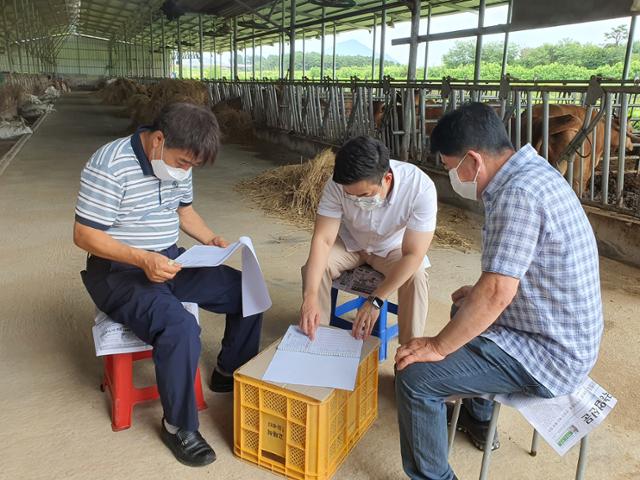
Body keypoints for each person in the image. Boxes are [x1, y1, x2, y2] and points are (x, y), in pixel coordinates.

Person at [394, 102, 603, 480]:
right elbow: (513, 275)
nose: (453, 176)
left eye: (451, 167)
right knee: (465, 308)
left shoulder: (518, 194)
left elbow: (497, 294)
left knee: (415, 378)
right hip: (559, 329)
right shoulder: (532, 173)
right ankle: (478, 417)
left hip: (551, 353)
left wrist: (438, 346)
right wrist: (478, 293)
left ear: (473, 160)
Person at [73, 102, 262, 467]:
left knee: (247, 290)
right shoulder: (109, 165)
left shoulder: (176, 162)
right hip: (118, 270)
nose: (185, 171)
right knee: (179, 327)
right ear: (158, 140)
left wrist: (211, 240)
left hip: (171, 258)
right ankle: (179, 426)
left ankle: (228, 371)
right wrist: (142, 259)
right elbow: (84, 235)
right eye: (183, 163)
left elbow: (184, 211)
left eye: (191, 166)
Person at [299, 136, 437, 343]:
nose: (356, 200)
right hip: (351, 243)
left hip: (392, 247)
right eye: (350, 196)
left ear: (387, 179)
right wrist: (310, 296)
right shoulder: (336, 184)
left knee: (415, 276)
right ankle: (317, 341)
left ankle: (409, 353)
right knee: (317, 267)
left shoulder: (419, 187)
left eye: (364, 195)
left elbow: (413, 254)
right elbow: (323, 239)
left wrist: (376, 300)